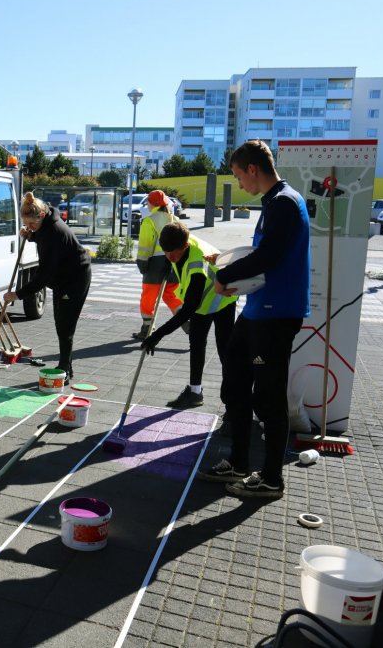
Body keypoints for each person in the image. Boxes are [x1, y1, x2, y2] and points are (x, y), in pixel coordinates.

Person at [197, 140, 311, 500]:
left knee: (268, 396)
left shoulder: (284, 203)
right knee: (235, 379)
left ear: (252, 169)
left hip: (276, 314)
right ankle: (239, 462)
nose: (239, 184)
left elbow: (270, 255)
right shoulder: (274, 202)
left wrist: (225, 277)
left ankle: (272, 478)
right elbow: (264, 258)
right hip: (257, 309)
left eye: (237, 176)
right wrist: (236, 279)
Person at [140, 221, 237, 408]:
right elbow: (173, 232)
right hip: (202, 304)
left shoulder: (196, 264)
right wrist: (166, 264)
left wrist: (157, 335)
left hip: (222, 300)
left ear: (184, 246)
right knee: (196, 342)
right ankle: (195, 393)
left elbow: (187, 311)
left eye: (172, 253)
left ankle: (233, 405)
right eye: (165, 252)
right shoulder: (179, 239)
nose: (169, 257)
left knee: (225, 351)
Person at [3, 192, 91, 385]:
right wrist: (32, 235)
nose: (29, 227)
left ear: (41, 215)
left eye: (32, 224)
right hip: (63, 278)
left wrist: (17, 295)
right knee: (61, 323)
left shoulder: (54, 232)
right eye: (26, 224)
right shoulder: (45, 224)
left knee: (65, 326)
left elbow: (43, 277)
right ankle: (66, 366)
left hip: (75, 279)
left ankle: (64, 370)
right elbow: (41, 235)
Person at [133, 190, 182, 340]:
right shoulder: (175, 220)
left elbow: (145, 246)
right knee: (171, 294)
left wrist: (142, 263)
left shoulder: (149, 220)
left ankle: (147, 328)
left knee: (149, 296)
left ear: (152, 203)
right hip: (174, 262)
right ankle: (187, 321)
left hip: (155, 264)